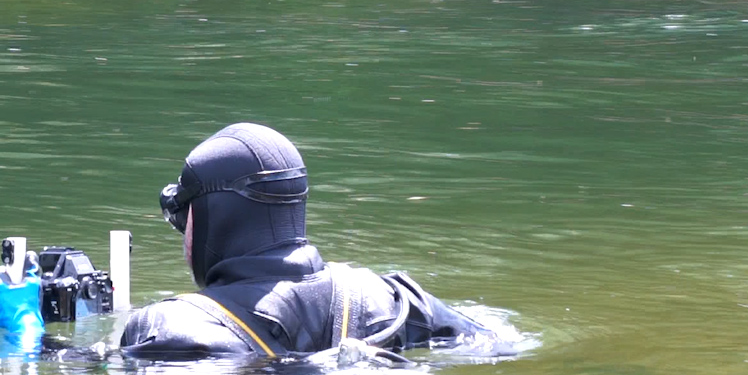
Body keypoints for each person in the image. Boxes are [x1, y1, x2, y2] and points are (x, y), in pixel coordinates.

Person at [118, 122, 493, 358]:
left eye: (183, 218)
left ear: (212, 216)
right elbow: (500, 344)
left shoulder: (167, 327)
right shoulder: (397, 301)